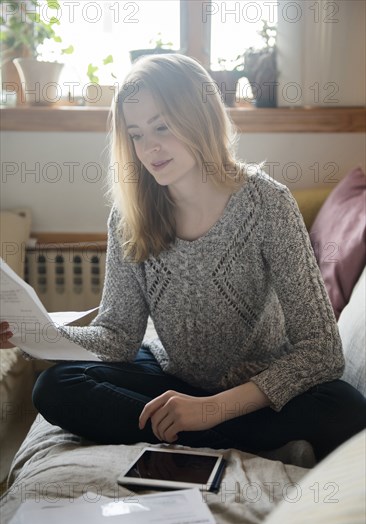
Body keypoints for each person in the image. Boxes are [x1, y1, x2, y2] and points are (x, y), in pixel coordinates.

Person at [1, 54, 365, 462]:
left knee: (347, 411)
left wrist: (211, 410)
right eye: (136, 134)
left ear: (200, 118)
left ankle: (201, 428)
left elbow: (321, 351)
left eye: (162, 126)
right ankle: (232, 437)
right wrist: (34, 335)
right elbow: (118, 338)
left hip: (255, 388)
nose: (150, 147)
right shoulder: (129, 215)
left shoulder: (267, 204)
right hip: (172, 377)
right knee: (55, 387)